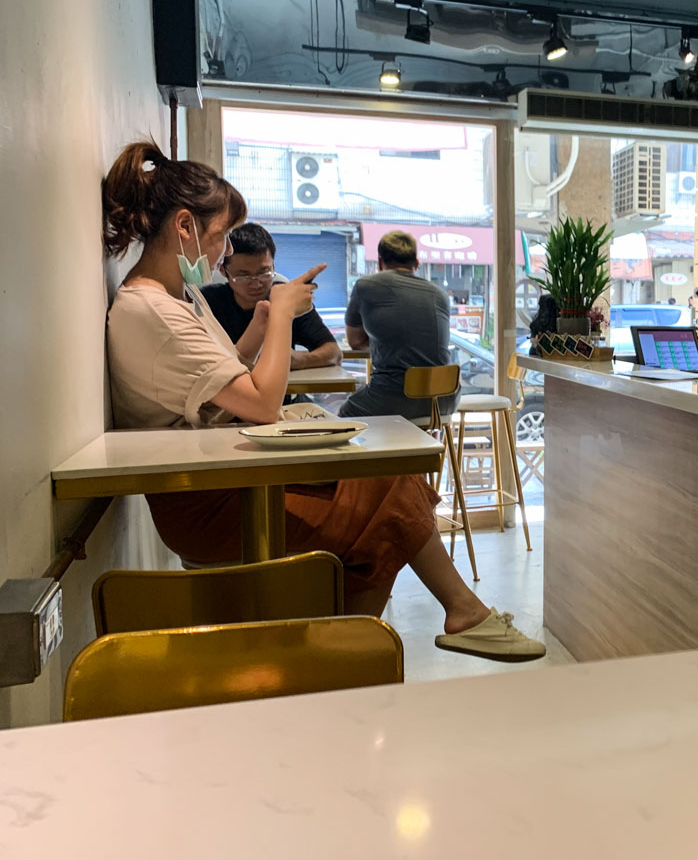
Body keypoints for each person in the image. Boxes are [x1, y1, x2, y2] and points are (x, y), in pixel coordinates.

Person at [102, 141, 544, 662]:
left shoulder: (175, 300)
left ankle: (349, 651)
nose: (221, 256)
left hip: (224, 473)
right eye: (219, 237)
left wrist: (264, 324)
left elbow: (229, 375)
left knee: (393, 485)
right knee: (395, 496)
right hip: (208, 497)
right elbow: (263, 404)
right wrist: (283, 314)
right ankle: (366, 648)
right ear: (184, 227)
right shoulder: (152, 309)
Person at [339, 230, 454, 420]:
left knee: (346, 414)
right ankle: (428, 448)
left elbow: (355, 341)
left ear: (380, 263)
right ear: (416, 264)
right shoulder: (439, 294)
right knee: (417, 414)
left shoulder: (365, 285)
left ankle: (384, 450)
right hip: (443, 400)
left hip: (392, 398)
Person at [199, 222, 342, 370]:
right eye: (243, 276)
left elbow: (333, 352)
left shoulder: (287, 298)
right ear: (223, 271)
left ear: (273, 266)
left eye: (264, 273)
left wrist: (297, 360)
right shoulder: (207, 303)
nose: (256, 284)